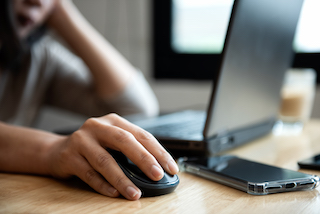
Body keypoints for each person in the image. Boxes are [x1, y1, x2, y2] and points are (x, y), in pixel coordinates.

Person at [0, 0, 179, 201]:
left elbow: (137, 108)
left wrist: (62, 14)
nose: (37, 1)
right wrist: (52, 150)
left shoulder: (37, 57)